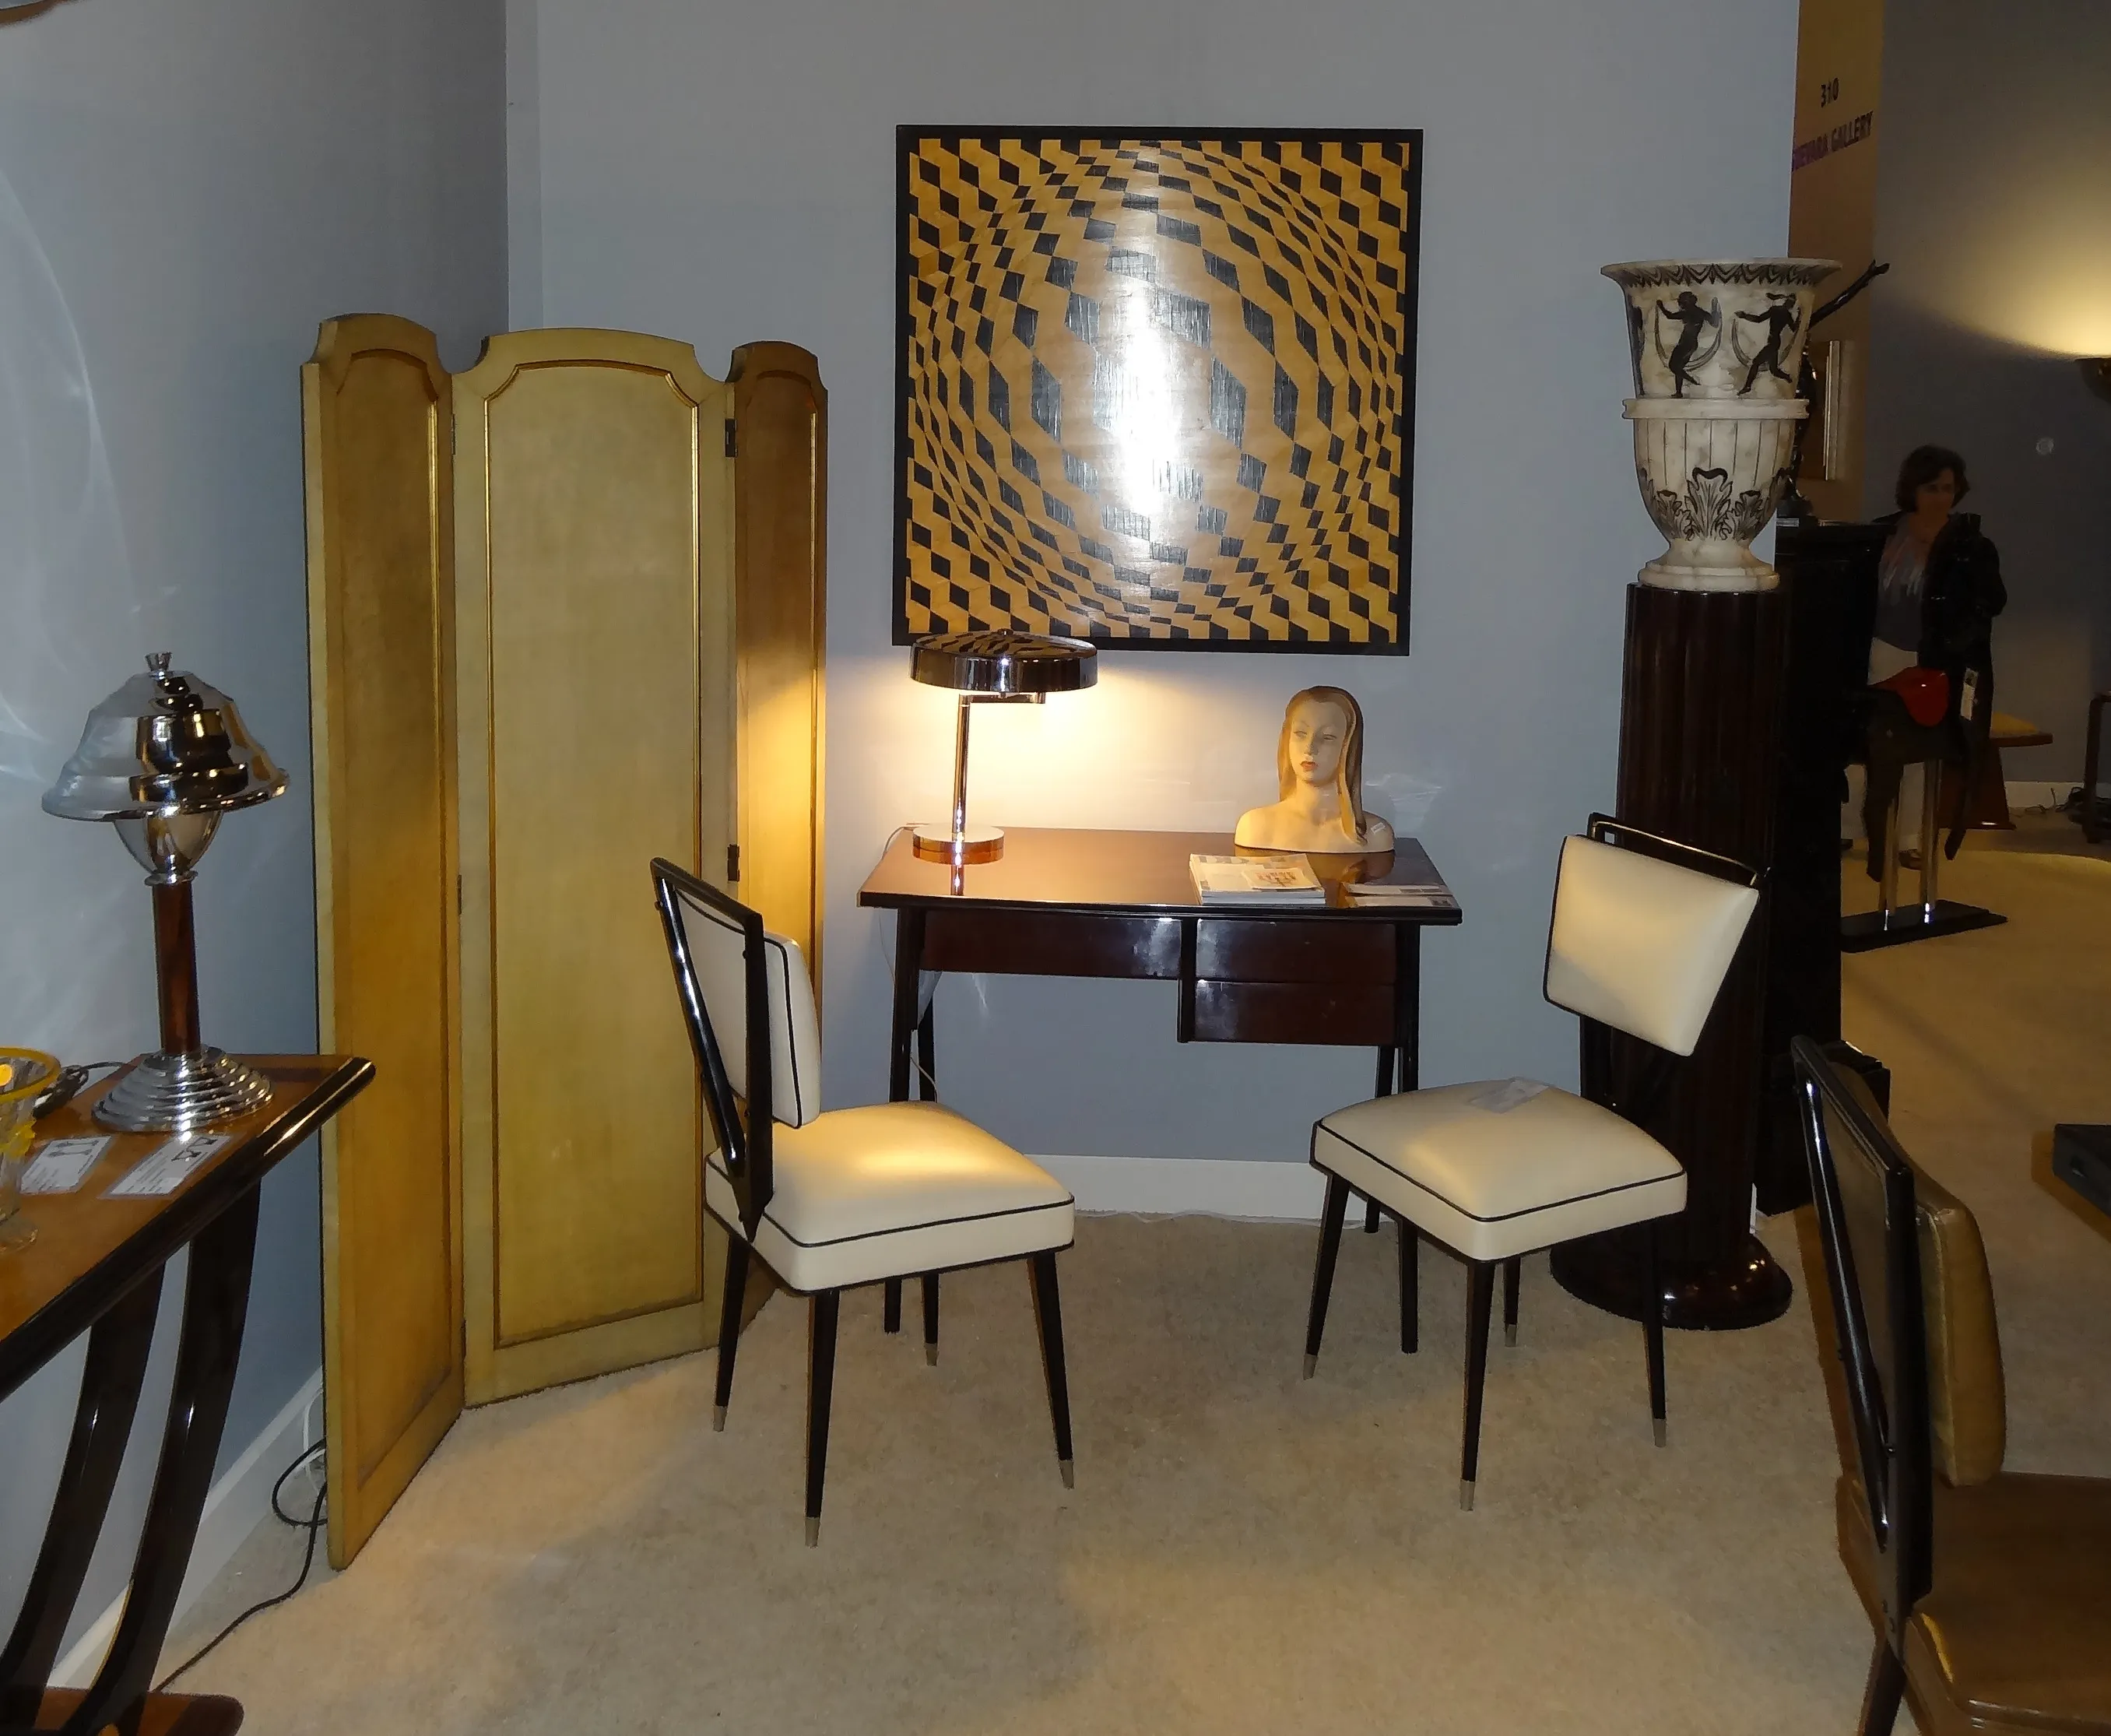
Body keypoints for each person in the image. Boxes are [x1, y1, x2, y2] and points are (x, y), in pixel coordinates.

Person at [1860, 445, 2006, 873]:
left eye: (1948, 487)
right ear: (1913, 489)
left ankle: (1909, 840)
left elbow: (1993, 601)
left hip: (1933, 658)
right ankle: (1857, 829)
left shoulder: (1970, 544)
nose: (1941, 496)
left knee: (1919, 748)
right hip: (1880, 648)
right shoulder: (1884, 533)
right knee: (1871, 740)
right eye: (1932, 487)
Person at [1235, 687, 1394, 853]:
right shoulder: (1256, 827)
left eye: (1327, 737)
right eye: (1300, 733)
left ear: (1348, 747)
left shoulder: (1376, 835)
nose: (1310, 748)